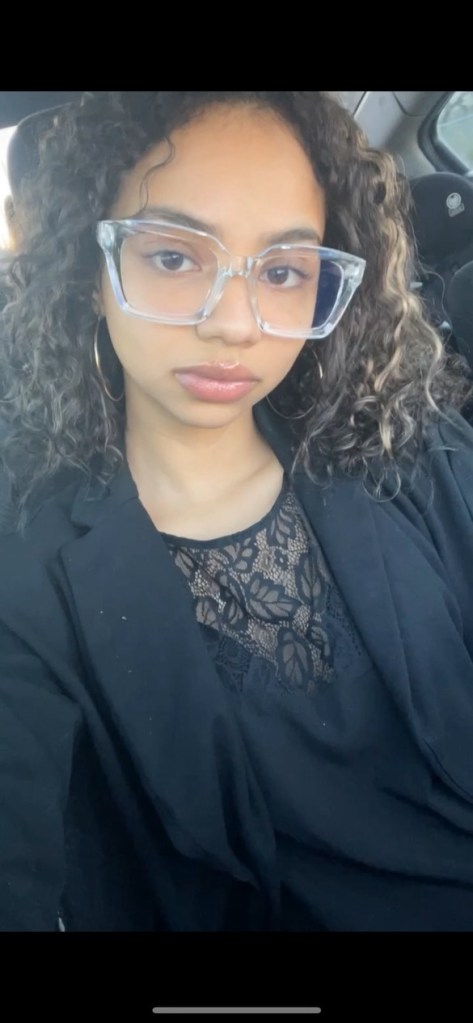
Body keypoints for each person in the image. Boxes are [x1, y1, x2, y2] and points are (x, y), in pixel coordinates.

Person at [0, 90, 472, 933]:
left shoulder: (405, 444)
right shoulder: (29, 579)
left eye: (282, 271)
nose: (234, 324)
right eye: (173, 257)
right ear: (90, 267)